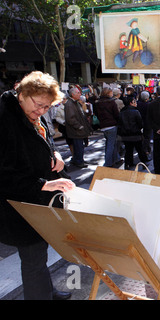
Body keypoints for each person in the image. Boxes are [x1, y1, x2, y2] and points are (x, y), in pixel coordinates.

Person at [0, 71, 75, 300]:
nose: (41, 111)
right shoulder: (5, 119)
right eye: (39, 105)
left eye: (46, 107)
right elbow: (5, 175)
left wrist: (55, 153)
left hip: (37, 202)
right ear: (21, 93)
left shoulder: (31, 112)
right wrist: (45, 185)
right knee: (32, 260)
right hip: (20, 205)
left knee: (39, 255)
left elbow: (44, 141)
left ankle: (47, 291)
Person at [118, 97, 149, 170]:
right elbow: (140, 123)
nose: (136, 103)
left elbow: (120, 124)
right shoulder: (135, 112)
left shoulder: (122, 112)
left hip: (126, 135)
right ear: (131, 103)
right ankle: (143, 163)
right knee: (139, 149)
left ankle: (128, 164)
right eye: (134, 102)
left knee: (128, 150)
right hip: (136, 134)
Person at [94, 87, 122, 167]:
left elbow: (96, 114)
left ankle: (116, 159)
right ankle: (108, 163)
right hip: (111, 125)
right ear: (108, 93)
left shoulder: (97, 103)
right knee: (111, 145)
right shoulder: (111, 102)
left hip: (103, 126)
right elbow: (116, 114)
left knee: (110, 144)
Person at [64, 87, 92, 168]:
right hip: (76, 131)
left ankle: (78, 160)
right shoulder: (70, 104)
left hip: (78, 130)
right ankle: (79, 161)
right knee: (78, 147)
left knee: (79, 146)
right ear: (73, 94)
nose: (80, 94)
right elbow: (70, 118)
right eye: (78, 93)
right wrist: (79, 126)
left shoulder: (75, 103)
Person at [146, 86, 160, 174]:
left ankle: (157, 169)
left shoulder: (151, 104)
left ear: (157, 93)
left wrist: (156, 129)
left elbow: (149, 119)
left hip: (156, 132)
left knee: (157, 152)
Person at [137, 91, 151, 156]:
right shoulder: (148, 105)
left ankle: (145, 148)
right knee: (147, 137)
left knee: (142, 137)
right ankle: (145, 149)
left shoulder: (138, 104)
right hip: (147, 123)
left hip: (139, 122)